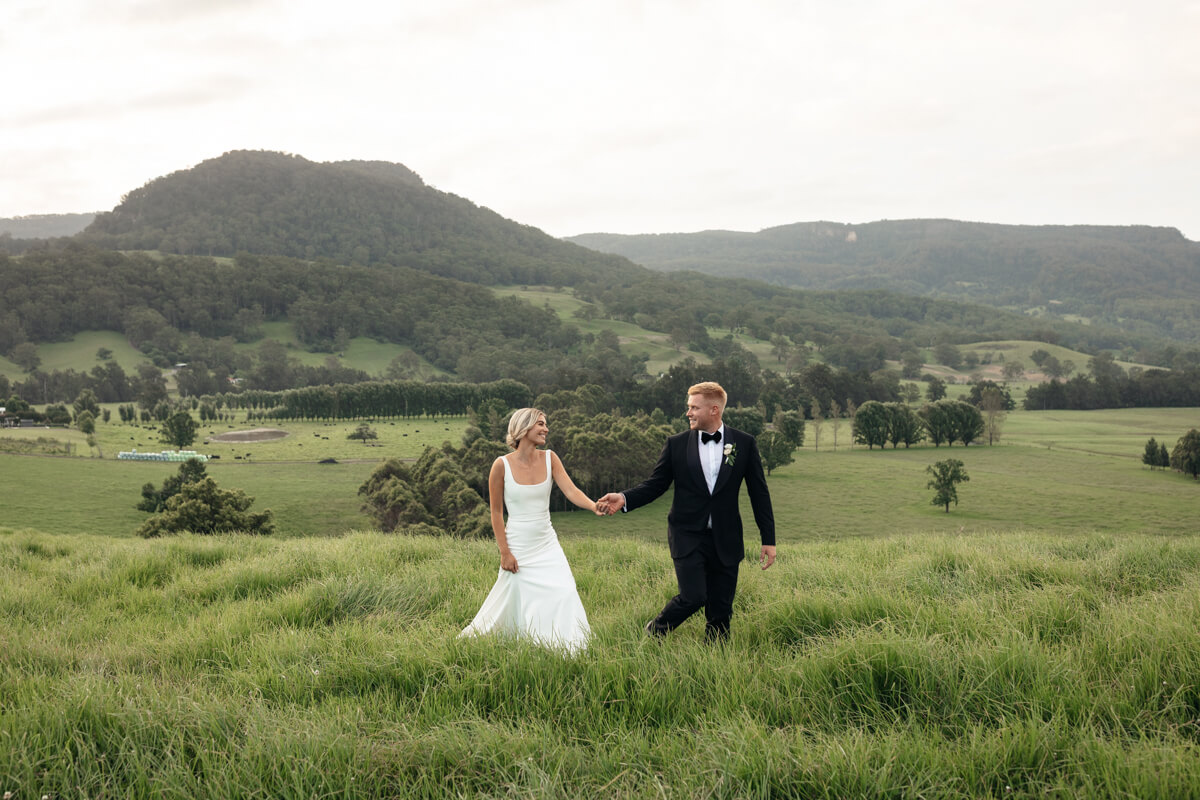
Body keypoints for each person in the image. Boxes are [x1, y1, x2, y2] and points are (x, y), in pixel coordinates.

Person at [597, 382, 776, 642]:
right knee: (693, 596)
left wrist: (768, 539)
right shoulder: (676, 444)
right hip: (687, 535)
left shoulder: (744, 443)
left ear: (714, 409)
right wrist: (624, 498)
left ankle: (715, 657)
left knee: (721, 610)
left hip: (726, 537)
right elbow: (656, 484)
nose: (688, 413)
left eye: (694, 407)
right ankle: (652, 634)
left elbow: (759, 493)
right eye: (688, 407)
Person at [460, 407, 600, 654]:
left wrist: (593, 506)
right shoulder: (501, 465)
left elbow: (571, 490)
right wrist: (505, 552)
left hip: (547, 543)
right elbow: (496, 513)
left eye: (545, 424)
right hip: (518, 546)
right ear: (524, 428)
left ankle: (570, 648)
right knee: (517, 599)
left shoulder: (550, 458)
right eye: (541, 424)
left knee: (566, 591)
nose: (546, 429)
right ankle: (527, 644)